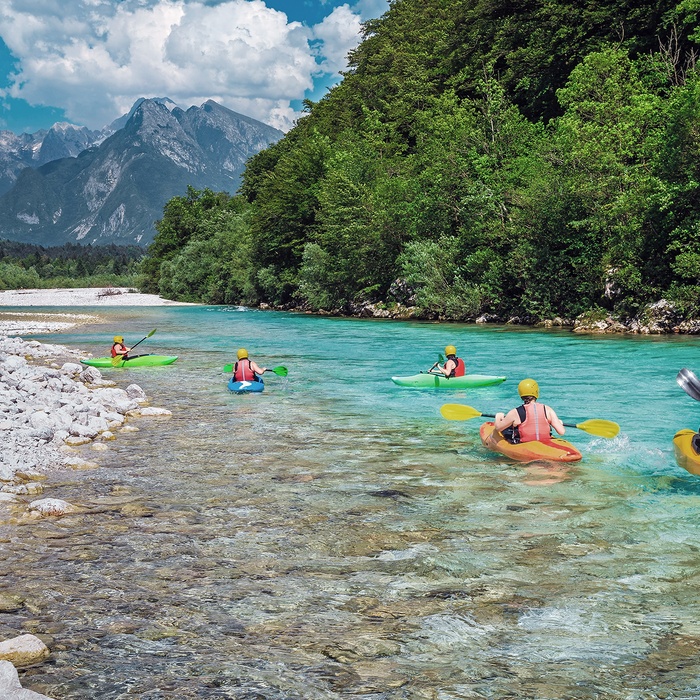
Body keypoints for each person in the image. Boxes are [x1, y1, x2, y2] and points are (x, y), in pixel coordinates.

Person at [494, 378, 565, 443]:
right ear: (537, 392)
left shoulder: (515, 412)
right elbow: (561, 432)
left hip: (524, 444)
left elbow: (498, 428)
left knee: (507, 430)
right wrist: (559, 423)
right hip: (544, 443)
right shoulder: (548, 409)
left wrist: (498, 417)